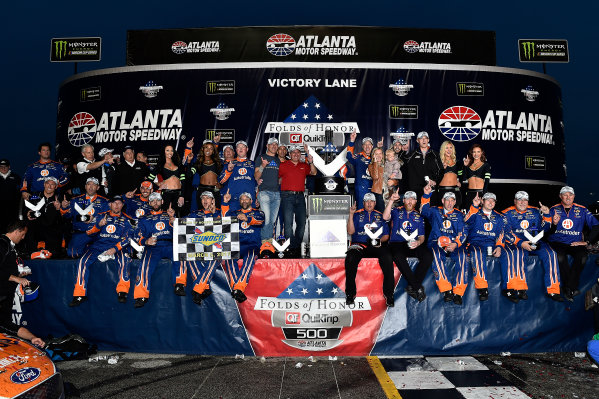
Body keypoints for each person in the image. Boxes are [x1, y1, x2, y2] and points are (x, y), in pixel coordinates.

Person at [69, 195, 134, 306]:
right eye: (114, 203)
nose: (117, 205)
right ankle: (79, 294)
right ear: (109, 204)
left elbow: (130, 238)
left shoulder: (128, 219)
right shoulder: (99, 216)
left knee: (125, 259)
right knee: (82, 261)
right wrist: (98, 226)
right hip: (99, 245)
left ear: (123, 205)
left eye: (119, 203)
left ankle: (122, 292)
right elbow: (89, 232)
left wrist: (115, 248)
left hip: (117, 246)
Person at [502, 191, 563, 302]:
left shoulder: (535, 211)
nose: (522, 202)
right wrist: (521, 243)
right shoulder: (506, 213)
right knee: (518, 254)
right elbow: (506, 233)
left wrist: (547, 215)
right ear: (515, 201)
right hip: (517, 243)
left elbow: (546, 229)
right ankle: (520, 288)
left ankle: (553, 290)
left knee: (551, 254)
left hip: (535, 241)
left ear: (528, 201)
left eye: (525, 200)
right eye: (519, 199)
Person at [548, 186, 599, 301]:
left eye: (570, 194)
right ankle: (571, 289)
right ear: (560, 196)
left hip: (575, 243)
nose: (568, 197)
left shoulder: (582, 209)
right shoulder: (554, 209)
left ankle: (568, 288)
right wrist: (554, 224)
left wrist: (586, 242)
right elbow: (547, 231)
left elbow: (596, 226)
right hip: (557, 242)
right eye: (565, 194)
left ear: (574, 196)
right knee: (560, 258)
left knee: (582, 258)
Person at [420, 184, 468, 305]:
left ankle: (458, 292)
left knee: (463, 257)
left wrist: (456, 244)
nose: (450, 203)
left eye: (453, 200)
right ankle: (446, 290)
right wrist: (426, 195)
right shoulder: (435, 211)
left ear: (455, 202)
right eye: (448, 200)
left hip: (454, 244)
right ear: (443, 200)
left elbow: (464, 231)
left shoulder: (459, 215)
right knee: (435, 255)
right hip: (437, 243)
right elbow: (423, 211)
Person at [345, 193, 395, 307]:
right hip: (359, 245)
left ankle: (389, 295)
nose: (369, 203)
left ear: (375, 203)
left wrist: (379, 241)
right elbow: (350, 232)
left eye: (371, 201)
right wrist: (351, 215)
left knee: (387, 257)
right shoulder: (357, 214)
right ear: (363, 203)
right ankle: (350, 294)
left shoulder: (380, 215)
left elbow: (386, 235)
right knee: (351, 258)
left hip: (375, 245)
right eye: (367, 201)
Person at [0, 221, 45, 346]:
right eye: (23, 234)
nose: (23, 237)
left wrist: (19, 275)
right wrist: (16, 278)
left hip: (5, 296)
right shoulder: (2, 243)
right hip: (2, 295)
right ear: (17, 231)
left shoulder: (9, 246)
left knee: (6, 324)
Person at [383, 190, 432, 302]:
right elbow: (385, 217)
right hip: (397, 243)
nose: (410, 201)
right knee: (397, 256)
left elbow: (422, 236)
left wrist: (418, 243)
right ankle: (416, 286)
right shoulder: (396, 211)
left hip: (412, 243)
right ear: (403, 200)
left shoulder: (419, 216)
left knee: (428, 256)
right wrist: (391, 201)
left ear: (416, 201)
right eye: (408, 198)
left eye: (413, 199)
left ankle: (412, 286)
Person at [133, 192, 178, 308]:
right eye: (152, 200)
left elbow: (179, 234)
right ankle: (141, 296)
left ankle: (179, 284)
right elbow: (137, 236)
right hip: (153, 246)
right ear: (149, 203)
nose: (155, 202)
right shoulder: (143, 218)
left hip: (169, 244)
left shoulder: (169, 214)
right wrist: (145, 241)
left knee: (180, 253)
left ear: (162, 201)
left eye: (157, 200)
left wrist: (173, 221)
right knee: (144, 264)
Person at [464, 192, 507, 301]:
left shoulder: (499, 217)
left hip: (492, 245)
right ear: (482, 201)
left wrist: (499, 247)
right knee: (477, 253)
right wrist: (474, 206)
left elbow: (501, 234)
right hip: (476, 243)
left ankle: (508, 288)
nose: (491, 202)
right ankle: (483, 288)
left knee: (508, 254)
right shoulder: (475, 213)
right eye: (488, 200)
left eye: (493, 200)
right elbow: (466, 220)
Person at [222, 191, 264, 302]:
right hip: (236, 244)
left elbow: (261, 221)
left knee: (251, 255)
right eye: (242, 199)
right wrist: (225, 203)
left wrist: (247, 219)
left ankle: (238, 288)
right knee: (228, 255)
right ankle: (237, 289)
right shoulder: (235, 212)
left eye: (246, 199)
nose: (244, 201)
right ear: (239, 201)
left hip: (251, 245)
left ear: (251, 201)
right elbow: (224, 219)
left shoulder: (257, 212)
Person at [184, 191, 223, 305]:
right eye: (203, 198)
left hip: (216, 248)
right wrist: (172, 219)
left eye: (208, 198)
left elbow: (229, 225)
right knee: (189, 258)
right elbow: (181, 223)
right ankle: (205, 288)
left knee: (214, 259)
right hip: (199, 247)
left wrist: (214, 214)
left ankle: (197, 290)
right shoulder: (195, 213)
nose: (205, 200)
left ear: (213, 200)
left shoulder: (220, 212)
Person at [278, 145, 316, 257]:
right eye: (293, 152)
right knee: (288, 224)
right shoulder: (283, 165)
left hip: (300, 196)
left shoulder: (304, 165)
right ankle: (291, 247)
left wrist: (311, 162)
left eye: (298, 152)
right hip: (287, 196)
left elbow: (313, 173)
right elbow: (276, 178)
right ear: (289, 154)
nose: (295, 154)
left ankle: (296, 246)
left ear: (301, 155)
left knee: (302, 223)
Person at [61, 177, 109, 258]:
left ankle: (90, 250)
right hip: (81, 232)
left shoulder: (105, 201)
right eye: (89, 184)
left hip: (98, 233)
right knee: (72, 254)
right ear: (85, 186)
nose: (91, 187)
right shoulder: (75, 200)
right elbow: (67, 216)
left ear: (98, 187)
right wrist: (64, 207)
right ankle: (88, 250)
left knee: (106, 253)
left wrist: (93, 218)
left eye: (94, 185)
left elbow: (108, 217)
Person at [24, 176, 63, 258]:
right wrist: (28, 213)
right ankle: (31, 251)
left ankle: (51, 251)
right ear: (44, 184)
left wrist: (59, 209)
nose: (49, 186)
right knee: (29, 225)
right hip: (37, 227)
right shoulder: (35, 196)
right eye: (48, 183)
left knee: (54, 252)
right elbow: (27, 211)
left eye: (52, 184)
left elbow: (64, 218)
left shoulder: (60, 198)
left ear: (56, 187)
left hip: (52, 228)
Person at [255, 137, 282, 242]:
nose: (274, 146)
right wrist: (263, 165)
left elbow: (280, 179)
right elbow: (256, 177)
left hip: (276, 194)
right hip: (264, 193)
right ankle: (264, 243)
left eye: (276, 144)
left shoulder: (278, 160)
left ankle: (268, 243)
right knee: (266, 220)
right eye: (271, 144)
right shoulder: (261, 157)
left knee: (272, 221)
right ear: (267, 146)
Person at [403, 132, 443, 200]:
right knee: (416, 210)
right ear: (417, 140)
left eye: (426, 138)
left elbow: (441, 170)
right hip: (415, 191)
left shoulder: (435, 155)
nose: (424, 140)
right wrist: (403, 151)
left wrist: (436, 182)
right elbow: (401, 164)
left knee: (430, 210)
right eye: (421, 138)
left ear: (428, 140)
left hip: (430, 189)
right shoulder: (411, 155)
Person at [148, 144, 186, 215]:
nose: (170, 152)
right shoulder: (160, 165)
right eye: (167, 150)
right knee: (166, 216)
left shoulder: (179, 164)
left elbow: (183, 182)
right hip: (166, 194)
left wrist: (182, 196)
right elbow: (149, 180)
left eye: (171, 150)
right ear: (164, 152)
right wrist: (158, 187)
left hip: (178, 194)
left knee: (178, 217)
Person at [218, 141, 256, 212]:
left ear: (247, 149)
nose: (241, 149)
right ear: (236, 150)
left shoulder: (253, 164)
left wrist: (257, 197)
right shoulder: (229, 163)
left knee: (250, 222)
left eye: (243, 147)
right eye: (238, 147)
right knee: (233, 222)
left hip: (249, 200)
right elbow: (221, 181)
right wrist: (229, 170)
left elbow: (257, 182)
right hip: (233, 200)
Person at [188, 140, 223, 209]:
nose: (208, 150)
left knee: (216, 214)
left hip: (215, 191)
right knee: (201, 214)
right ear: (203, 149)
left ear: (213, 151)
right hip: (202, 190)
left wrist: (221, 185)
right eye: (206, 147)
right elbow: (189, 175)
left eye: (211, 148)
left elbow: (224, 178)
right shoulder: (198, 163)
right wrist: (189, 161)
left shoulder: (218, 163)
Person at [346, 132, 373, 210]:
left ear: (372, 146)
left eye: (369, 144)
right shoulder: (358, 157)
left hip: (374, 189)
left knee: (374, 211)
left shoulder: (376, 157)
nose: (367, 146)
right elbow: (349, 156)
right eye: (365, 144)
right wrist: (352, 140)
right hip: (361, 189)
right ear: (362, 146)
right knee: (361, 210)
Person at [461, 143, 491, 209]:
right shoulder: (468, 164)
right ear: (471, 153)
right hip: (469, 193)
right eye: (474, 152)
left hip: (481, 193)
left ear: (481, 153)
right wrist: (465, 166)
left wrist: (484, 195)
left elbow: (487, 181)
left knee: (481, 215)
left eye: (478, 152)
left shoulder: (486, 165)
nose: (476, 154)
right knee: (469, 214)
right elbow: (463, 178)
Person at [437, 141, 462, 208]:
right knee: (441, 214)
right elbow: (436, 177)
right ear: (443, 149)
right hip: (443, 190)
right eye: (447, 148)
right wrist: (442, 169)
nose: (449, 150)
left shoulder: (457, 162)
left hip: (455, 190)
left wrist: (460, 182)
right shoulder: (439, 161)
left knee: (455, 213)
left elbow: (461, 175)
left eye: (451, 148)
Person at [0, 159, 21, 233]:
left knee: (12, 230)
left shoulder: (16, 177)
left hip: (13, 209)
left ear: (9, 167)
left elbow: (21, 191)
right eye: (1, 166)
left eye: (5, 166)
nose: (3, 168)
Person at [367, 147, 386, 213]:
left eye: (380, 153)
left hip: (388, 192)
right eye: (376, 154)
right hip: (378, 192)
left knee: (389, 213)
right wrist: (375, 162)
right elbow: (375, 177)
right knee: (381, 212)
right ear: (373, 155)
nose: (379, 155)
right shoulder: (371, 165)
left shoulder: (387, 164)